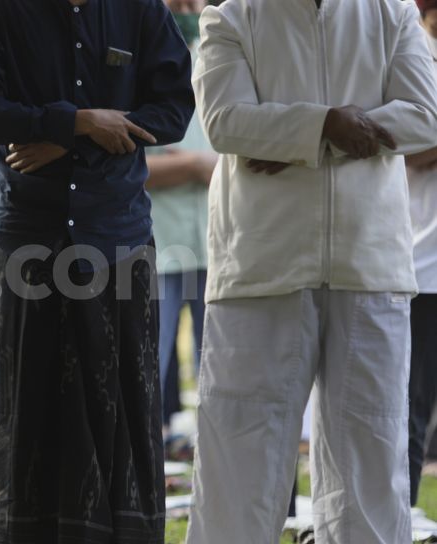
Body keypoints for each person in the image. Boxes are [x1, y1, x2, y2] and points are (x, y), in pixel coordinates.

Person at [185, 0, 437, 542]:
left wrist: (308, 138)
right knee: (239, 460)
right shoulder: (232, 16)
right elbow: (225, 121)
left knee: (370, 462)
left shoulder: (390, 13)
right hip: (260, 264)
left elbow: (427, 115)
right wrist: (324, 123)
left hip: (369, 264)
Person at [0, 0, 195, 541]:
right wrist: (80, 120)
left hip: (117, 234)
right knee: (27, 401)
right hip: (28, 239)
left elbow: (174, 111)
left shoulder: (140, 11)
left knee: (121, 404)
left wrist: (69, 134)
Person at [145, 0, 217, 429]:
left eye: (196, 1)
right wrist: (195, 166)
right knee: (146, 367)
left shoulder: (224, 54)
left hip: (218, 242)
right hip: (159, 244)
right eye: (178, 2)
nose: (188, 9)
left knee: (224, 375)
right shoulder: (139, 61)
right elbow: (127, 166)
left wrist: (193, 165)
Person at [407, 0, 437, 511]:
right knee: (407, 409)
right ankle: (401, 517)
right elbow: (407, 146)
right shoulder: (412, 54)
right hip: (422, 266)